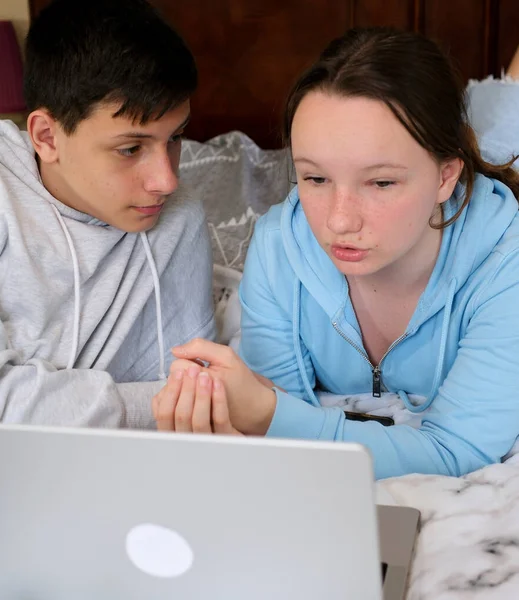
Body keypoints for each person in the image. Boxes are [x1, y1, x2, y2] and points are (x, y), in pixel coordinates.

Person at [153, 28, 519, 480]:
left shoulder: (505, 265)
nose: (339, 222)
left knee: (507, 122)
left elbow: (457, 449)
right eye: (315, 179)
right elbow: (281, 406)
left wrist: (268, 418)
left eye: (381, 182)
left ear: (446, 176)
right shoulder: (278, 247)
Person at [0, 0, 215, 529]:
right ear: (46, 136)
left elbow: (191, 402)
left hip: (100, 503)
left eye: (175, 138)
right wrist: (151, 403)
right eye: (131, 148)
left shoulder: (177, 217)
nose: (166, 179)